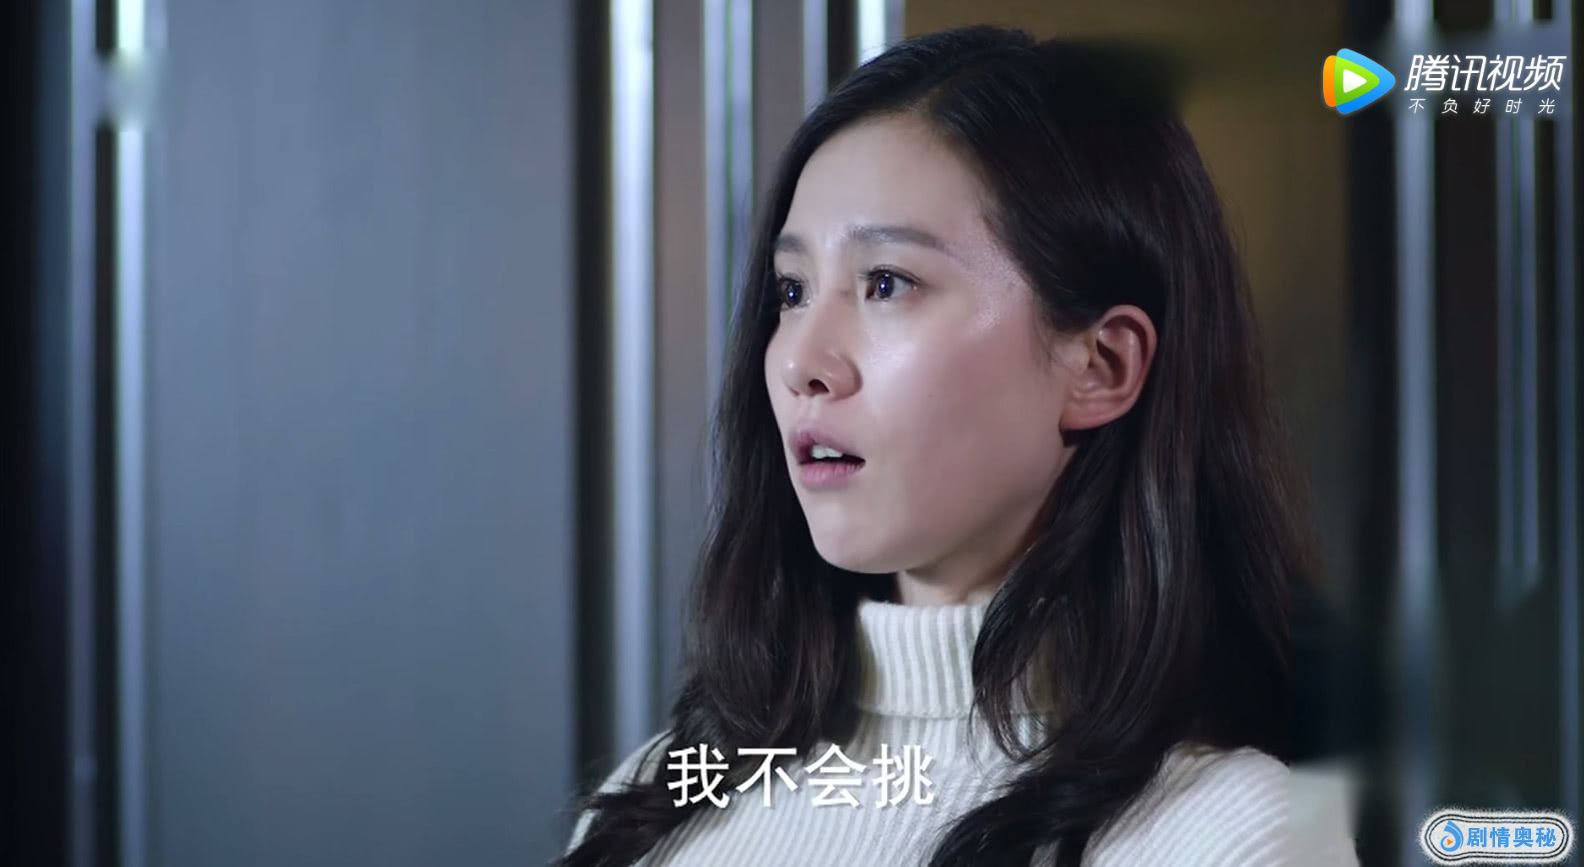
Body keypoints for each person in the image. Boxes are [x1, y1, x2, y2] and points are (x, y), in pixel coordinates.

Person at [558, 24, 1358, 866]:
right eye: (791, 291)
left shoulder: (1231, 834)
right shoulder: (661, 793)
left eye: (886, 283)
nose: (800, 361)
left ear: (1102, 366)